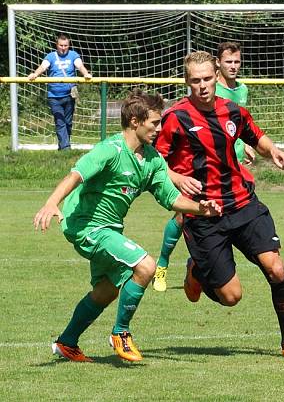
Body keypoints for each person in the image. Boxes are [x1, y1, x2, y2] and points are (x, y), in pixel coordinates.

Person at [33, 90, 221, 363]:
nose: (159, 128)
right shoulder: (110, 150)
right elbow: (76, 174)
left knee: (108, 289)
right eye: (154, 123)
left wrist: (200, 208)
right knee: (146, 266)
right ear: (135, 121)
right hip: (87, 227)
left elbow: (170, 197)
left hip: (110, 229)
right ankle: (120, 333)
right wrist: (52, 203)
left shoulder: (153, 159)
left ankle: (67, 342)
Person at [154, 51, 284, 361]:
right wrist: (175, 176)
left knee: (276, 268)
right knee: (231, 297)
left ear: (216, 76)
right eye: (195, 81)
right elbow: (154, 162)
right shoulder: (175, 118)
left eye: (207, 79)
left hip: (243, 204)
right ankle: (196, 270)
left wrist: (275, 151)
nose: (202, 86)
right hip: (204, 214)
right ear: (187, 82)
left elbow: (257, 138)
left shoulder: (233, 111)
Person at [152, 42, 255, 292]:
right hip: (196, 171)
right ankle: (163, 266)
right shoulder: (201, 91)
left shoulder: (241, 90)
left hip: (231, 166)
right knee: (183, 216)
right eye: (229, 62)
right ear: (218, 66)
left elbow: (236, 123)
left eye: (237, 62)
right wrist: (175, 175)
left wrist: (247, 144)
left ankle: (210, 263)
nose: (233, 66)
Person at [27, 33, 93, 150]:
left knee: (68, 122)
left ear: (69, 45)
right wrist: (35, 74)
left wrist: (86, 74)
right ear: (56, 45)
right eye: (61, 45)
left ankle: (62, 146)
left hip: (69, 95)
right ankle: (66, 148)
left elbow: (80, 66)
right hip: (54, 96)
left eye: (66, 45)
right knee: (60, 121)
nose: (63, 48)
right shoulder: (51, 56)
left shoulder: (73, 55)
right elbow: (43, 67)